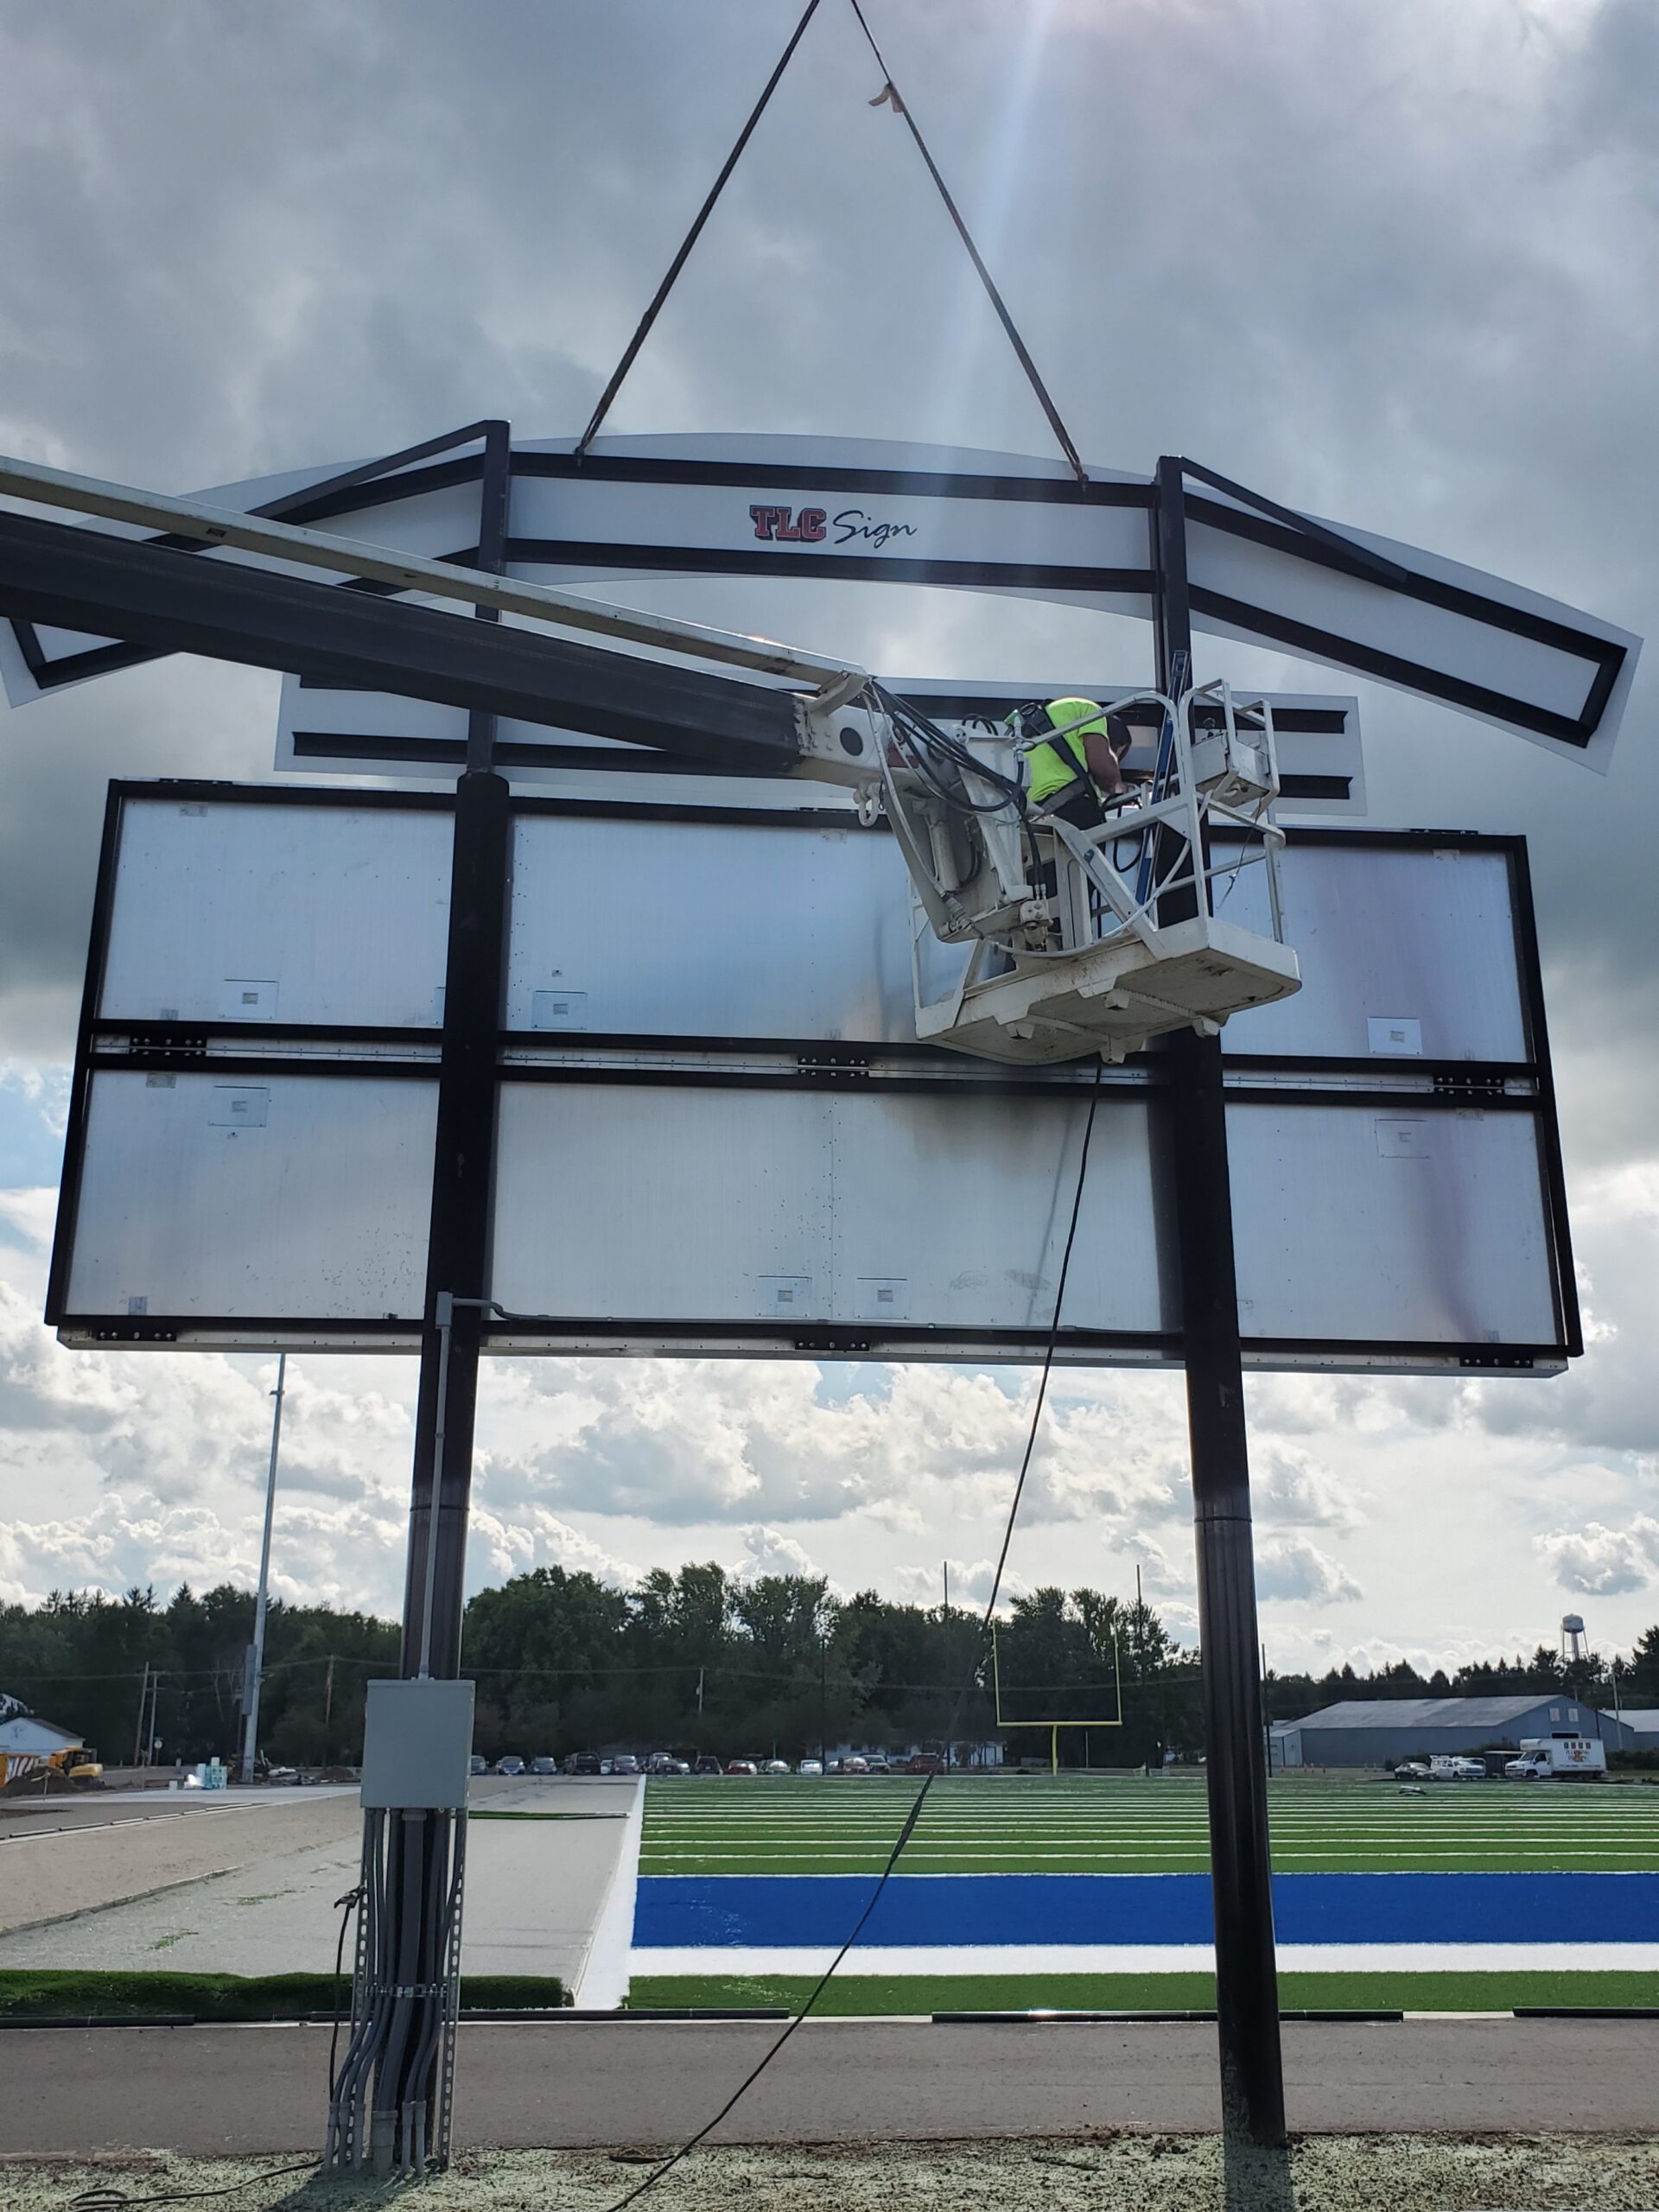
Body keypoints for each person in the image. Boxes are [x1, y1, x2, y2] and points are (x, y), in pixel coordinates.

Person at [1020, 696, 1135, 830]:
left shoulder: (1051, 716)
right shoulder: (1090, 711)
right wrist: (1122, 790)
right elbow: (1102, 769)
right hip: (1069, 809)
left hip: (1029, 818)